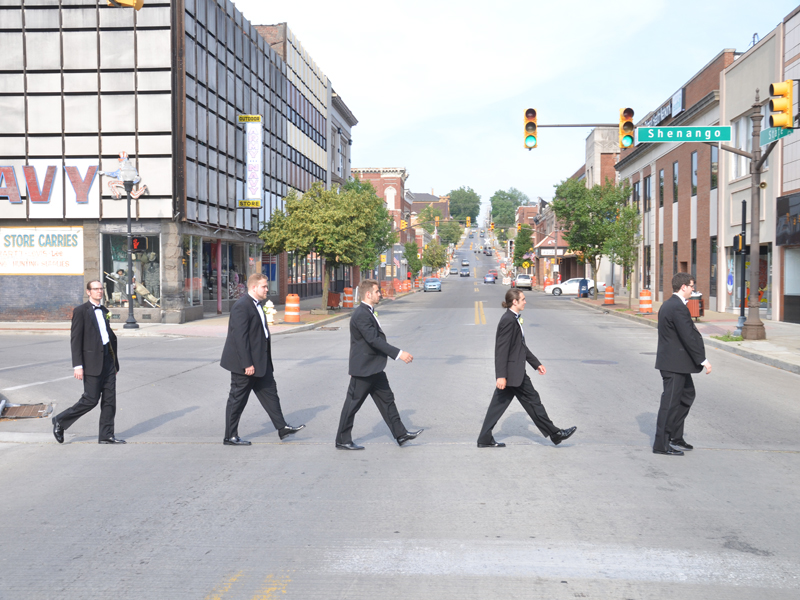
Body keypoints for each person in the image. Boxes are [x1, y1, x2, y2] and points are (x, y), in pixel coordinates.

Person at [477, 288, 576, 448]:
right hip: (513, 373)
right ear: (514, 302)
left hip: (514, 372)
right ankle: (555, 434)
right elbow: (501, 350)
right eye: (522, 299)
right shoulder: (508, 320)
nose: (525, 301)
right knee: (534, 401)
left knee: (498, 405)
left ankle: (484, 438)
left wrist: (536, 363)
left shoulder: (513, 318)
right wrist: (501, 375)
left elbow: (520, 347)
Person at [335, 279, 422, 450]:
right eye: (377, 291)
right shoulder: (361, 314)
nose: (380, 294)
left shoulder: (368, 312)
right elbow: (373, 340)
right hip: (364, 369)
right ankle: (342, 440)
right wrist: (399, 354)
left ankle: (401, 434)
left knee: (388, 400)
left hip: (375, 368)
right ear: (368, 294)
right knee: (352, 405)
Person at [219, 273, 304, 446]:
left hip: (261, 363)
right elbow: (239, 338)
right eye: (264, 286)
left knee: (271, 394)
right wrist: (246, 364)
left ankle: (282, 427)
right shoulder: (241, 306)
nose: (267, 289)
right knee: (237, 399)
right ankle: (230, 436)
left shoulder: (257, 305)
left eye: (266, 286)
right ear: (254, 288)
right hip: (245, 365)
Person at [52, 280, 124, 444]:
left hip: (108, 361)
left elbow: (108, 337)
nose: (99, 291)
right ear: (88, 292)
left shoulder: (104, 310)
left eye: (101, 289)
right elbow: (75, 340)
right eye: (96, 289)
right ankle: (60, 421)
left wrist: (114, 362)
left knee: (110, 400)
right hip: (91, 362)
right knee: (90, 400)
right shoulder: (81, 311)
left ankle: (106, 435)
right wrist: (78, 365)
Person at [653, 272, 711, 456]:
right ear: (683, 287)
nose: (693, 290)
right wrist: (703, 360)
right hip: (674, 365)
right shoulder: (676, 307)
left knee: (687, 395)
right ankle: (661, 444)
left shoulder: (671, 304)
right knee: (669, 403)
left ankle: (676, 436)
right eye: (692, 286)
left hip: (677, 363)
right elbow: (688, 337)